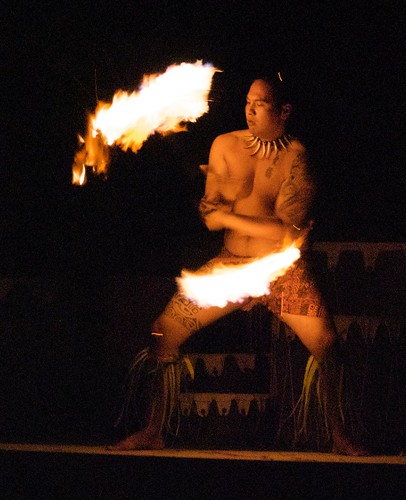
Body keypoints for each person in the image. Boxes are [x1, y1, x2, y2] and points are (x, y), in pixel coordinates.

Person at [109, 75, 366, 455]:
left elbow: (283, 231)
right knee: (164, 331)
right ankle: (153, 429)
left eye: (260, 104)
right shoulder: (224, 146)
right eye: (247, 101)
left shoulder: (297, 158)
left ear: (284, 112)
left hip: (280, 270)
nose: (249, 109)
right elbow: (211, 206)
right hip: (230, 264)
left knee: (326, 342)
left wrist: (228, 218)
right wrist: (211, 207)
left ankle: (339, 434)